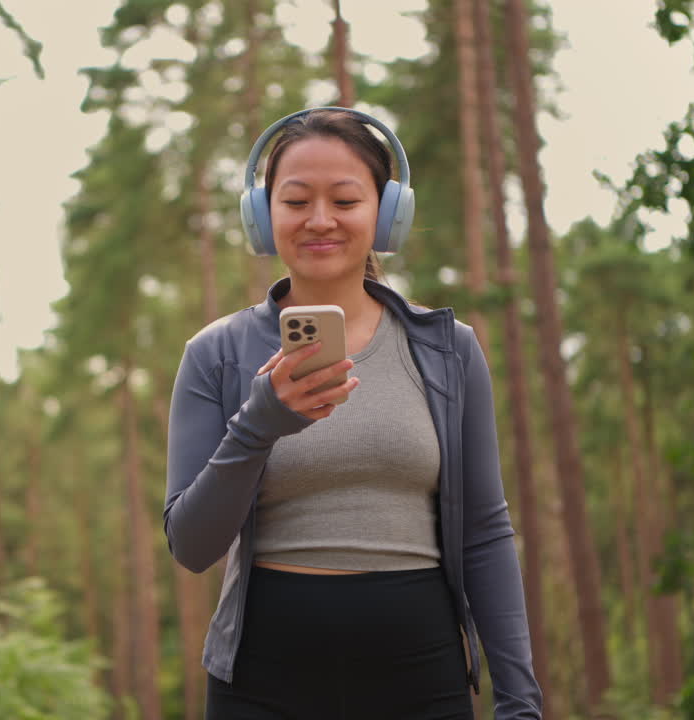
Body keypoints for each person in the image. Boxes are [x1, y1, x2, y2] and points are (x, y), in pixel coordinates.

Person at [163, 107, 543, 719]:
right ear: (262, 217)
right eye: (295, 201)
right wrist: (259, 425)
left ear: (387, 214)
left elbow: (484, 532)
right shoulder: (217, 355)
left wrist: (521, 700)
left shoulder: (449, 350)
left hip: (423, 676)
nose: (319, 220)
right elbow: (191, 544)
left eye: (344, 199)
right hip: (262, 683)